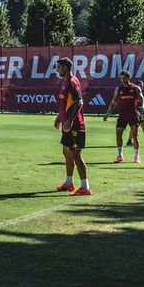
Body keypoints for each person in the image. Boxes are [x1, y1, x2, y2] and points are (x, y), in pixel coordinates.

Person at [54, 58, 90, 196]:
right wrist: (59, 117)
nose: (57, 69)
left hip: (75, 126)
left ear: (65, 67)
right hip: (67, 124)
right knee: (66, 152)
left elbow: (79, 102)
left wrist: (69, 120)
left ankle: (85, 187)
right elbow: (65, 104)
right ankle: (69, 183)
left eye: (59, 67)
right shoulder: (64, 83)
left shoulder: (73, 82)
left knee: (76, 155)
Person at [104, 71, 143, 164]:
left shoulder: (135, 88)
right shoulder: (118, 89)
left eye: (124, 78)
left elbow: (142, 98)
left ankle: (136, 157)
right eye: (121, 78)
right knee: (118, 134)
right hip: (122, 116)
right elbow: (113, 103)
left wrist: (143, 106)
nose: (122, 80)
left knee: (134, 136)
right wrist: (107, 114)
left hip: (133, 115)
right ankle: (120, 156)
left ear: (128, 77)